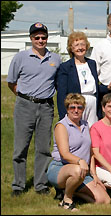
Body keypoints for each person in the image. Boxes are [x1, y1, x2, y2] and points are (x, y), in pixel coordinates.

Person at [7, 22, 62, 196]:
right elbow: (11, 82)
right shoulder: (20, 57)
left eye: (43, 37)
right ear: (31, 39)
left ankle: (40, 184)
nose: (40, 40)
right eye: (36, 37)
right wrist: (25, 98)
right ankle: (18, 185)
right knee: (20, 147)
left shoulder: (55, 59)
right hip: (25, 105)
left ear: (47, 39)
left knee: (44, 148)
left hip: (46, 106)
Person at [47, 93, 110, 211]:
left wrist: (94, 175)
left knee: (105, 200)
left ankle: (71, 190)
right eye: (72, 107)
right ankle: (67, 200)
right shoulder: (61, 126)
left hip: (83, 171)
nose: (76, 110)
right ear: (67, 109)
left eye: (79, 107)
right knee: (77, 170)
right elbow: (64, 153)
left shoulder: (86, 125)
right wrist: (80, 161)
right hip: (60, 168)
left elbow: (90, 152)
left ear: (83, 109)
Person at [57, 31, 101, 127]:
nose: (80, 48)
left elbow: (94, 87)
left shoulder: (92, 64)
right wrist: (63, 117)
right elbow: (61, 94)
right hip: (76, 105)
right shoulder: (65, 67)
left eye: (82, 44)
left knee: (92, 133)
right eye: (76, 45)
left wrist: (109, 87)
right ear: (71, 48)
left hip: (92, 104)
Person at [90, 10, 111, 114]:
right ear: (108, 25)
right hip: (107, 94)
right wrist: (104, 88)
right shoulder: (100, 46)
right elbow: (93, 74)